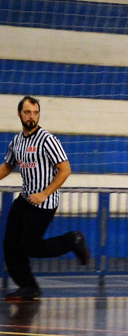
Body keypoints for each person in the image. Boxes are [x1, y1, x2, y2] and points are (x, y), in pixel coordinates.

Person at [0, 96, 90, 302]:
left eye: (35, 112)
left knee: (29, 247)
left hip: (43, 203)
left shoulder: (47, 140)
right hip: (24, 199)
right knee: (10, 244)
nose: (31, 116)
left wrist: (45, 193)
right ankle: (28, 287)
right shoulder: (16, 141)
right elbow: (7, 166)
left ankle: (73, 240)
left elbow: (65, 169)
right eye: (27, 112)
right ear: (19, 114)